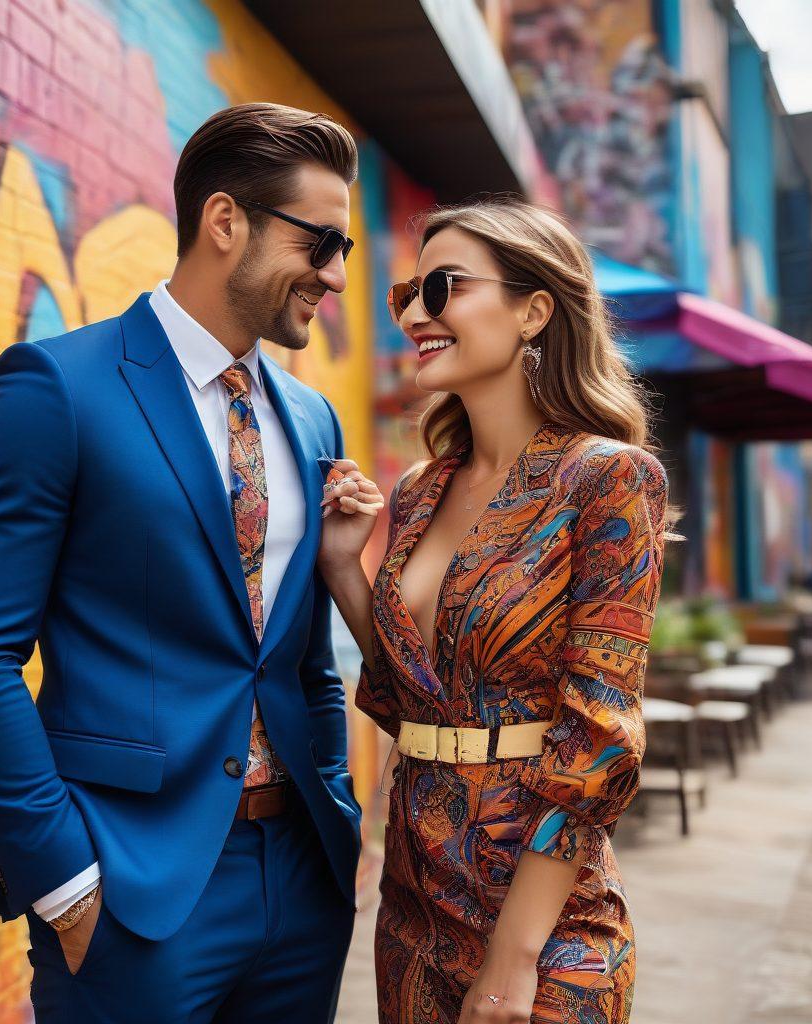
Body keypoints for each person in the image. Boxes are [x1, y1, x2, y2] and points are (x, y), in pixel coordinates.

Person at [0, 102, 377, 1024]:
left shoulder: (313, 417)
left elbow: (298, 658)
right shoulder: (56, 388)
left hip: (301, 883)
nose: (334, 274)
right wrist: (65, 884)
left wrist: (336, 805)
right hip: (131, 893)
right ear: (224, 222)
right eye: (320, 242)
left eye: (345, 251)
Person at [319, 199, 670, 1023]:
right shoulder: (419, 490)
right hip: (411, 903)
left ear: (533, 310)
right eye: (407, 291)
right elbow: (411, 698)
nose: (413, 313)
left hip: (546, 923)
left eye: (441, 287)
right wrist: (345, 569)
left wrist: (514, 962)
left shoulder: (607, 479)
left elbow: (598, 737)